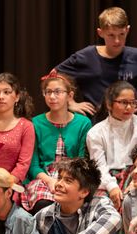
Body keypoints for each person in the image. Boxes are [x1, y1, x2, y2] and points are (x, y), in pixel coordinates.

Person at [55, 6, 137, 116]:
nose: (117, 41)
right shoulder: (86, 56)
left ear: (127, 30)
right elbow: (54, 75)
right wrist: (70, 103)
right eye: (111, 35)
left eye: (121, 34)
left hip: (128, 124)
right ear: (100, 33)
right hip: (95, 123)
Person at [86, 80, 137, 234]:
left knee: (131, 199)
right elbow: (99, 165)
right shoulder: (97, 132)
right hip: (107, 178)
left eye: (132, 103)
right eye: (123, 102)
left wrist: (135, 179)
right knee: (104, 204)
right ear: (110, 104)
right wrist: (112, 187)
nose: (129, 107)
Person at [21, 70, 91, 214]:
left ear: (69, 96)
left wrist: (66, 180)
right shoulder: (35, 123)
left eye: (58, 92)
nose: (52, 97)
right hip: (44, 177)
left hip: (73, 175)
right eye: (48, 92)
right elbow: (33, 165)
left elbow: (82, 160)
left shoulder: (83, 123)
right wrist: (50, 181)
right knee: (44, 204)